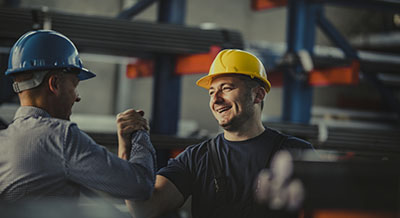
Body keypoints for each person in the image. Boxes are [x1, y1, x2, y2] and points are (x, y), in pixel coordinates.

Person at [118, 49, 314, 218]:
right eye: (211, 92)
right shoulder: (195, 158)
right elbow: (144, 208)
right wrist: (127, 150)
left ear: (258, 94)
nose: (216, 99)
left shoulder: (297, 153)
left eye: (227, 88)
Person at [0, 30, 156, 202]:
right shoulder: (60, 137)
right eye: (74, 85)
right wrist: (139, 132)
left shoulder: (4, 141)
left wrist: (125, 147)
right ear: (55, 84)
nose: (77, 96)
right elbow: (141, 186)